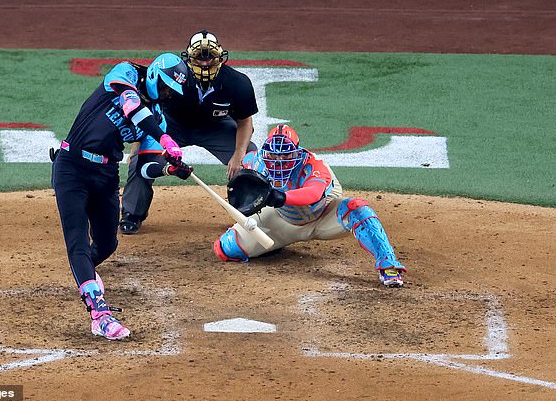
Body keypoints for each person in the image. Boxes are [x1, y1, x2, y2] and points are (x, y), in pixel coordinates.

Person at [51, 53, 193, 340]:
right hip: (72, 168)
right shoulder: (126, 73)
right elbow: (132, 105)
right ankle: (99, 314)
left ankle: (86, 276)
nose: (166, 94)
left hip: (105, 175)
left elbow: (146, 169)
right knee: (77, 241)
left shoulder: (158, 120)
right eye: (164, 87)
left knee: (107, 243)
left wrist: (170, 168)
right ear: (153, 75)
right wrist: (164, 138)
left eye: (170, 92)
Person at [214, 124, 407, 288]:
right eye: (274, 157)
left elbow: (313, 193)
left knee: (358, 208)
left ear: (297, 152)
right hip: (281, 220)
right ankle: (273, 246)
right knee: (226, 248)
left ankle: (388, 265)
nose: (279, 161)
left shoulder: (313, 165)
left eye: (285, 156)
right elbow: (239, 182)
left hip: (323, 217)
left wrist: (279, 197)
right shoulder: (255, 161)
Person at [120, 30, 258, 235]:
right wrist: (138, 145)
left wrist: (238, 155)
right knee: (140, 159)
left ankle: (247, 213)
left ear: (220, 57)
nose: (204, 63)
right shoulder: (174, 77)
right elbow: (150, 110)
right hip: (172, 126)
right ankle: (132, 214)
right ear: (189, 59)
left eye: (209, 57)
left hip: (215, 127)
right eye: (199, 58)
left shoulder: (238, 83)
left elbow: (245, 121)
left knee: (250, 157)